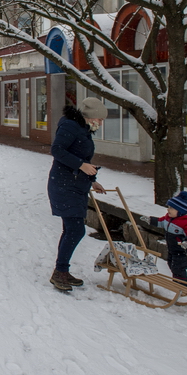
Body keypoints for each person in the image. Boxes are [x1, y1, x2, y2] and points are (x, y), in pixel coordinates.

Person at [47, 97, 109, 291]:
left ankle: (62, 271)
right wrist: (81, 165)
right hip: (65, 185)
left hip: (75, 184)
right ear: (89, 116)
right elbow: (57, 150)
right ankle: (59, 272)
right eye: (99, 118)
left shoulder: (82, 128)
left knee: (71, 229)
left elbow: (81, 157)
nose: (100, 122)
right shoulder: (71, 126)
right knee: (75, 230)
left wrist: (92, 180)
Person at [141, 191, 187, 283]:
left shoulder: (186, 222)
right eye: (168, 207)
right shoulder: (168, 218)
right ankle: (177, 283)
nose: (168, 210)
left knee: (178, 269)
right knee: (171, 265)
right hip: (173, 250)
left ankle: (182, 287)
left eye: (171, 208)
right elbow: (160, 221)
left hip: (183, 252)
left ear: (180, 211)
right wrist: (150, 220)